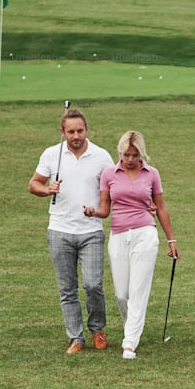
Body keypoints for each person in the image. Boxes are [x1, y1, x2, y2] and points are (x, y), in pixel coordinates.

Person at [83, 131, 178, 360]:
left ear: (141, 154)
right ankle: (131, 328)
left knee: (138, 290)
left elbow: (161, 207)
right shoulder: (109, 174)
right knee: (122, 293)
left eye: (135, 155)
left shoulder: (151, 174)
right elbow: (105, 209)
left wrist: (171, 239)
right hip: (118, 235)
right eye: (126, 154)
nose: (130, 159)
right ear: (120, 153)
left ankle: (129, 342)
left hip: (145, 233)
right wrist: (93, 212)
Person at [28, 107, 115, 354]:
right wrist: (47, 189)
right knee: (67, 289)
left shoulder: (101, 156)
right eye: (70, 131)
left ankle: (97, 329)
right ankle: (76, 337)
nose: (75, 136)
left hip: (91, 231)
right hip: (59, 230)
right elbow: (33, 184)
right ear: (62, 132)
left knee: (93, 285)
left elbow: (115, 186)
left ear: (87, 129)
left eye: (80, 131)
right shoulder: (51, 154)